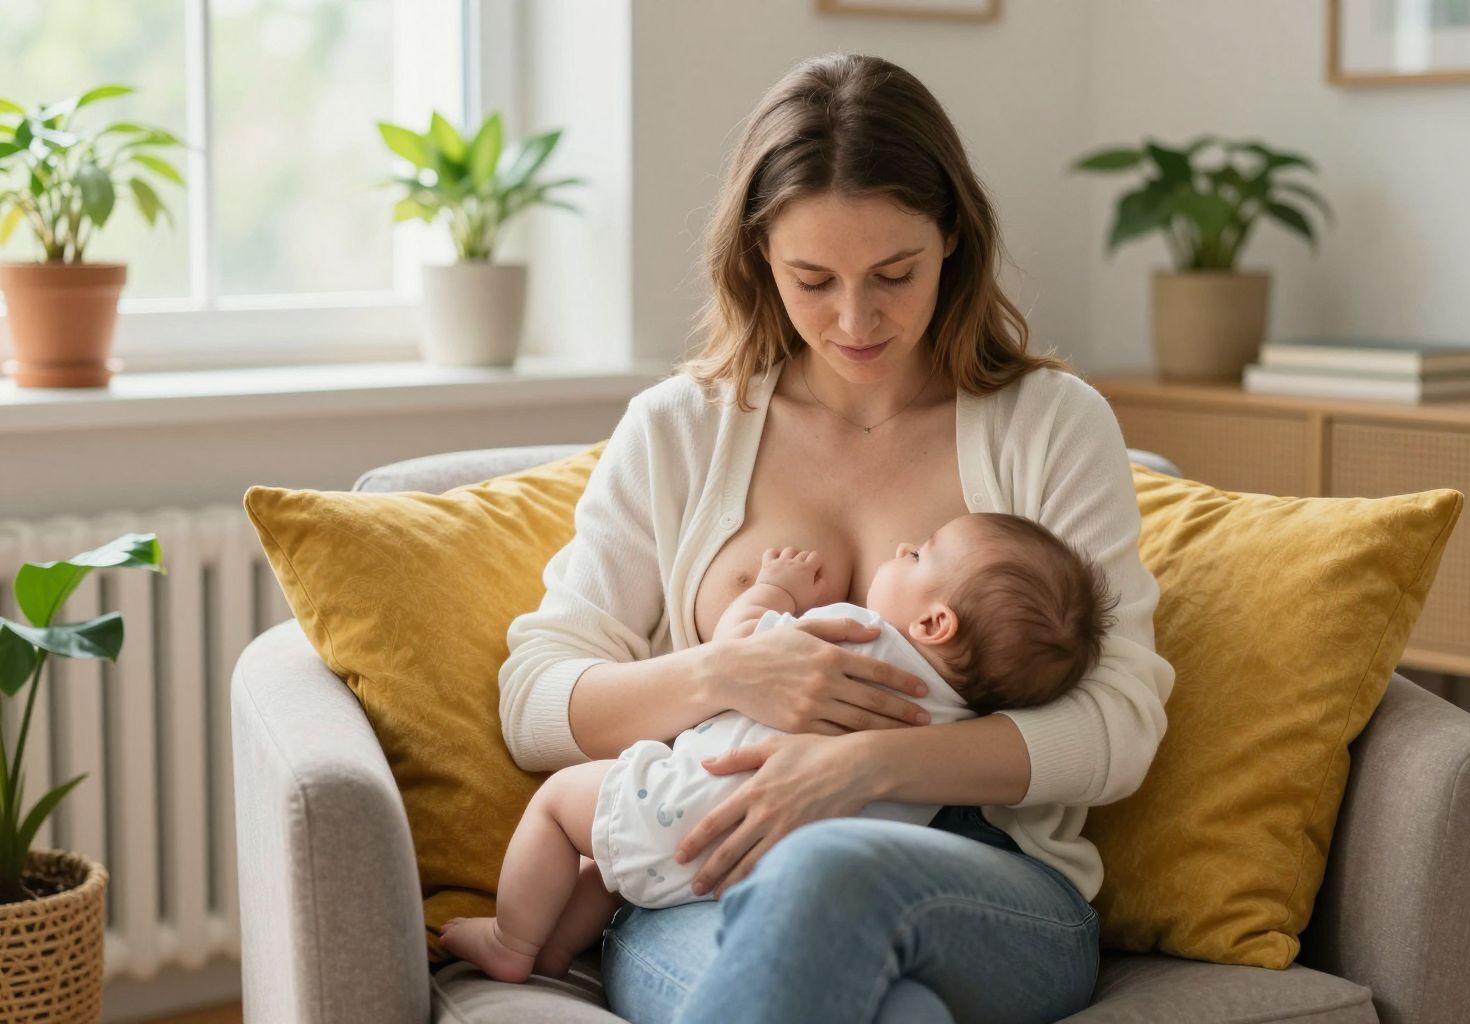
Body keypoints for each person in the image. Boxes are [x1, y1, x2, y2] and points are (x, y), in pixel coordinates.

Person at [497, 51, 1175, 1024]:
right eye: (813, 279)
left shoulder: (1050, 424)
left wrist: (866, 768)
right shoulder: (678, 431)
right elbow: (535, 699)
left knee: (829, 863)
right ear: (758, 258)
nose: (856, 319)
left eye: (894, 274)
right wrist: (720, 678)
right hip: (707, 875)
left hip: (984, 882)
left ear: (951, 239)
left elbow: (1119, 727)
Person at [447, 512, 1117, 983]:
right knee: (617, 868)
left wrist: (773, 590)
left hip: (684, 803)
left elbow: (743, 646)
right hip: (760, 876)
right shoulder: (953, 727)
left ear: (934, 622)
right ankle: (557, 949)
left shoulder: (857, 631)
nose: (904, 546)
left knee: (563, 809)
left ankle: (516, 940)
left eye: (918, 555)